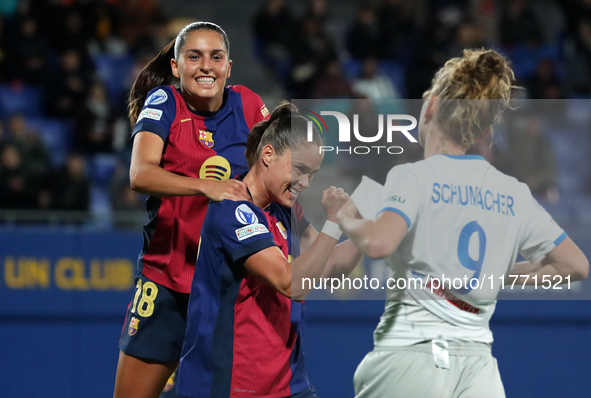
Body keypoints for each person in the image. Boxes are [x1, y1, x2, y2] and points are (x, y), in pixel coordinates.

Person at [336, 49, 589, 398]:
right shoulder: (511, 191)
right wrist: (498, 273)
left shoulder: (412, 176)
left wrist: (347, 218)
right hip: (479, 370)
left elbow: (379, 244)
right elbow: (575, 266)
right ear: (483, 129)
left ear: (431, 106)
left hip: (411, 358)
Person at [113, 22, 270, 398]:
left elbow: (275, 169)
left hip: (228, 289)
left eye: (216, 57)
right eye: (194, 56)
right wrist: (206, 186)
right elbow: (140, 173)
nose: (206, 66)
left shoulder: (248, 104)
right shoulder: (164, 102)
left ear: (229, 67)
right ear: (175, 66)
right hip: (167, 282)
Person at [177, 102, 358, 398]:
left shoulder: (287, 209)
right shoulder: (232, 210)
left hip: (289, 385)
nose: (306, 183)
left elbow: (330, 263)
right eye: (300, 169)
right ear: (268, 154)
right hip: (229, 388)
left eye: (313, 174)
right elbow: (291, 282)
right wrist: (335, 222)